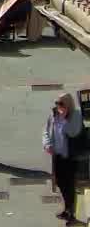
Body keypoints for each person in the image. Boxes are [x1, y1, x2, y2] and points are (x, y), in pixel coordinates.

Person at [46, 93, 81, 224]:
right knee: (60, 183)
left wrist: (64, 117)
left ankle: (71, 213)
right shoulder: (54, 115)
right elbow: (47, 130)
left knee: (69, 185)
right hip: (58, 156)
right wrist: (47, 144)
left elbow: (72, 132)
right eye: (57, 103)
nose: (58, 106)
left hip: (70, 157)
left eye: (61, 104)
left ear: (68, 104)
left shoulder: (75, 115)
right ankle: (67, 209)